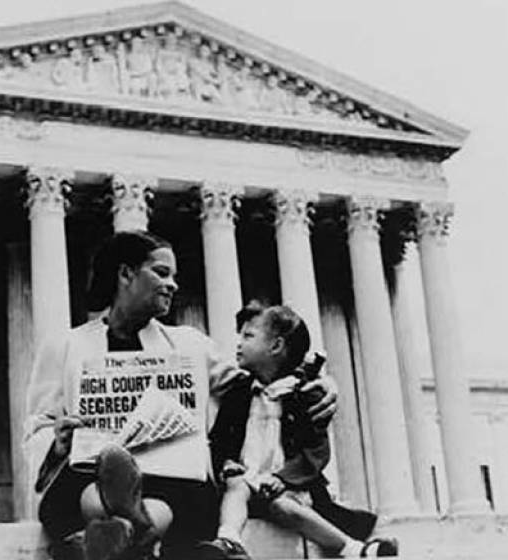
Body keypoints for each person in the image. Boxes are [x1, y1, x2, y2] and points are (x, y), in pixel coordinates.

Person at [24, 231, 340, 560]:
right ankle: (131, 525)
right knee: (96, 488)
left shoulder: (191, 345)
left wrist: (318, 381)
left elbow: (255, 385)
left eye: (174, 276)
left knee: (149, 497)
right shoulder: (65, 346)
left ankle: (116, 533)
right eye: (161, 273)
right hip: (88, 473)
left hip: (171, 480)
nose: (173, 284)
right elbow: (37, 427)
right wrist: (57, 440)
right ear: (126, 274)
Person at [199, 303, 398, 559]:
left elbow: (315, 452)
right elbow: (219, 438)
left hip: (291, 485)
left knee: (284, 507)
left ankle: (353, 548)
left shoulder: (306, 394)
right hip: (246, 479)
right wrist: (226, 464)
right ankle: (229, 540)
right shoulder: (238, 391)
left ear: (276, 346)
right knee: (236, 488)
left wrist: (283, 478)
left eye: (248, 336)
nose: (238, 344)